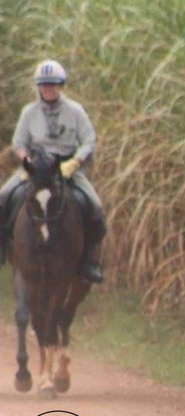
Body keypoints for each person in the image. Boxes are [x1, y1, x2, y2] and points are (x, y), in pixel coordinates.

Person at [0, 59, 104, 282]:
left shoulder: (75, 111)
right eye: (44, 85)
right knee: (3, 196)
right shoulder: (29, 112)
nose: (48, 89)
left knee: (96, 207)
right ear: (38, 87)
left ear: (60, 85)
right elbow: (19, 142)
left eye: (53, 85)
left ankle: (89, 262)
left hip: (66, 167)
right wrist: (27, 161)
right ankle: (2, 248)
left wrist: (75, 161)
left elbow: (89, 140)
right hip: (36, 167)